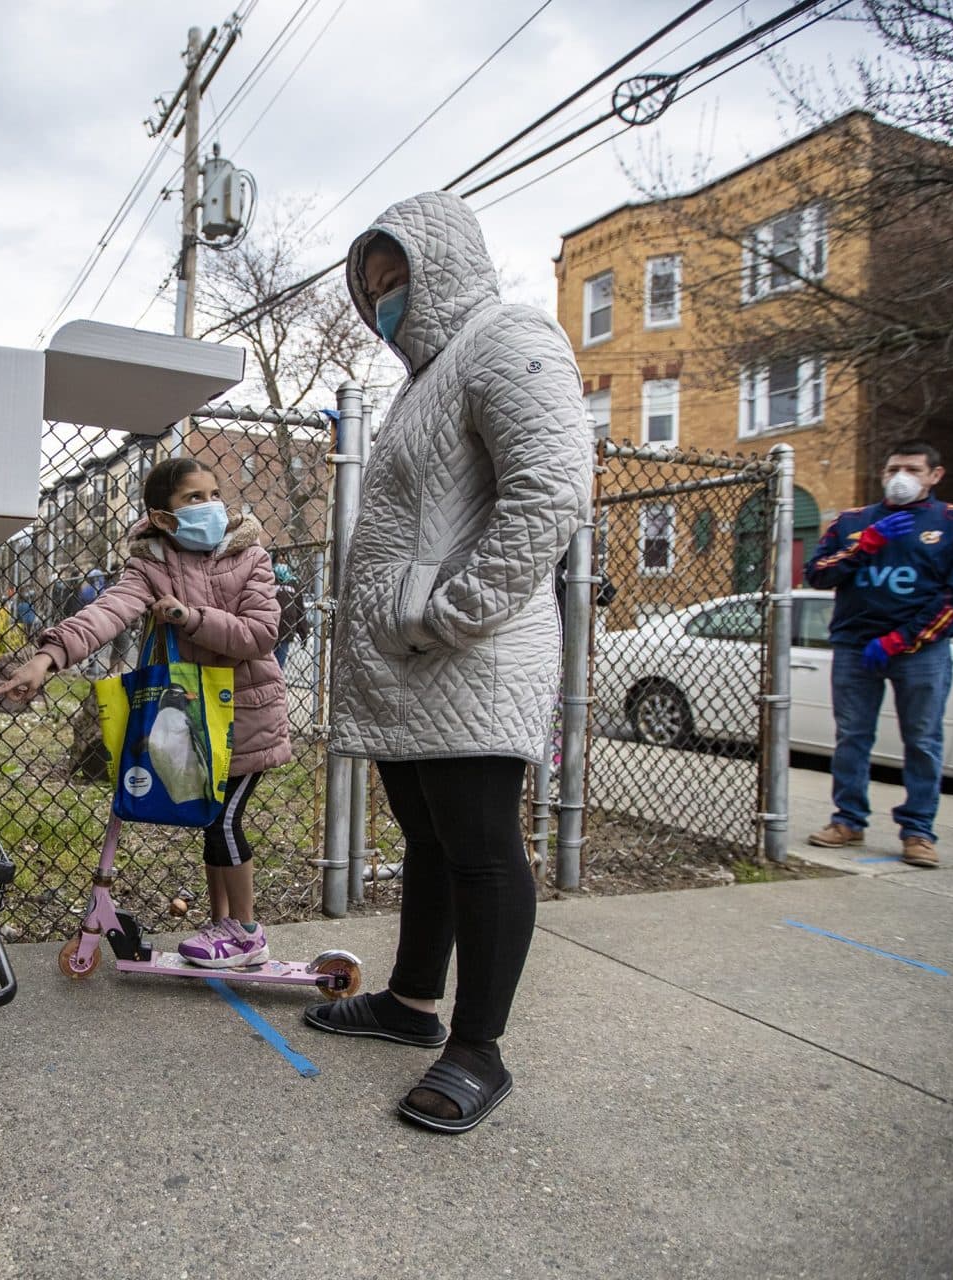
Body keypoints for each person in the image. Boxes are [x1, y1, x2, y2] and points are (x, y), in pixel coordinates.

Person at [301, 193, 590, 1136]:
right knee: (427, 839)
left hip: (471, 655)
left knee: (480, 849)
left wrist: (450, 613)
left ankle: (479, 1048)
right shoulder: (422, 383)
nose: (385, 302)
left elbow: (549, 492)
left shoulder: (509, 340)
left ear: (445, 269)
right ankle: (411, 1003)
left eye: (398, 281)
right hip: (411, 663)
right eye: (372, 289)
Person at [0, 458, 292, 967]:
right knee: (210, 820)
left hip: (248, 717)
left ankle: (246, 934)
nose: (211, 505)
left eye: (214, 493)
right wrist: (46, 658)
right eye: (193, 498)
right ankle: (221, 924)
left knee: (223, 822)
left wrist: (189, 617)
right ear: (162, 517)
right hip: (197, 719)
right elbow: (106, 613)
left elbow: (260, 634)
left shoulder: (250, 555)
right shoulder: (150, 563)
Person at [803, 440, 953, 869]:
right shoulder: (852, 522)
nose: (902, 477)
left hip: (920, 651)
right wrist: (864, 546)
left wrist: (900, 640)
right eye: (894, 468)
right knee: (852, 737)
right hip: (853, 644)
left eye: (914, 469)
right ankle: (848, 819)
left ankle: (918, 830)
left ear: (935, 476)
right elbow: (817, 574)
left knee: (922, 740)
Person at [273, 563, 308, 670]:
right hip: (269, 629)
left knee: (278, 667)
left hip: (285, 631)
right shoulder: (269, 579)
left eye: (284, 558)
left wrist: (303, 634)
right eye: (279, 558)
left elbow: (299, 609)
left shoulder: (293, 583)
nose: (281, 562)